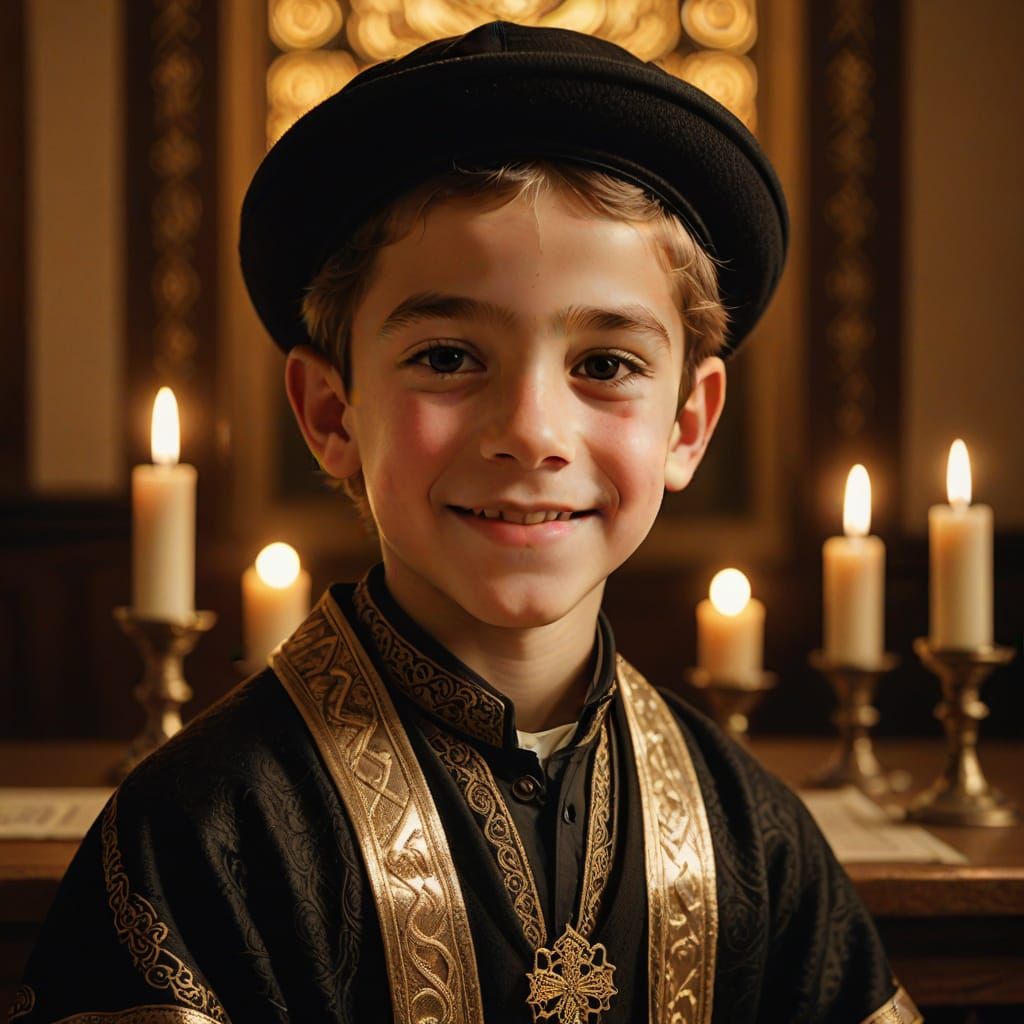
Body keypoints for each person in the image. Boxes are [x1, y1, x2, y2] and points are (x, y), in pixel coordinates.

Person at [10, 20, 921, 1024]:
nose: (531, 432)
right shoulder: (203, 834)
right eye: (447, 357)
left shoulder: (756, 840)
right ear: (330, 413)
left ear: (688, 423)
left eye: (605, 365)